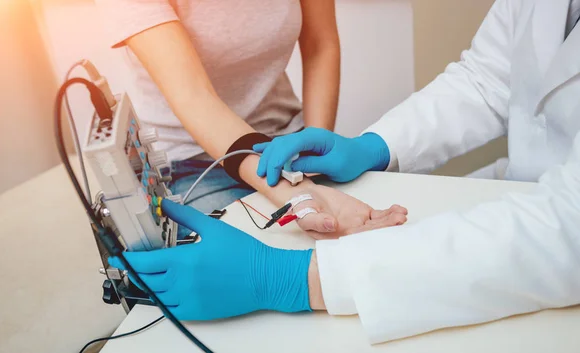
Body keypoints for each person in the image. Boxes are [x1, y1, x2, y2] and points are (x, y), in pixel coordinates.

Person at [110, 0, 580, 345]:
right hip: (195, 163)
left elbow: (567, 229)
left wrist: (289, 275)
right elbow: (490, 78)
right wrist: (373, 148)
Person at [94, 0, 407, 236]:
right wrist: (298, 194)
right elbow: (193, 94)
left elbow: (319, 43)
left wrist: (315, 143)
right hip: (192, 162)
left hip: (288, 138)